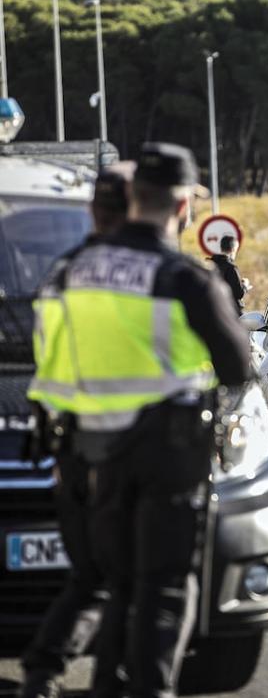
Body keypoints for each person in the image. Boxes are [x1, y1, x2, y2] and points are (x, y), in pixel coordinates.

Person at [27, 143, 252, 698]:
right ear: (182, 206)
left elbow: (47, 353)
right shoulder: (179, 278)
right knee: (165, 587)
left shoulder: (69, 269)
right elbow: (237, 365)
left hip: (90, 451)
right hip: (166, 454)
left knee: (118, 585)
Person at [18, 161, 135, 698]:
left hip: (75, 449)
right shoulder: (153, 273)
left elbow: (47, 365)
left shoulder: (61, 274)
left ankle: (44, 672)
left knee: (91, 575)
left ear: (93, 212)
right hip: (138, 451)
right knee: (139, 578)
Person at [210, 235, 250, 314]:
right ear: (233, 249)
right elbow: (238, 293)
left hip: (213, 310)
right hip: (231, 312)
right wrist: (245, 286)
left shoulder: (210, 265)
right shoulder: (231, 267)